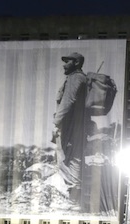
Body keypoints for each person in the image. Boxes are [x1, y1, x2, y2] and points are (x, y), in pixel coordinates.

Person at [53, 52, 88, 196]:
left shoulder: (75, 78)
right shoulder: (77, 78)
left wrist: (56, 123)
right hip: (75, 124)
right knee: (71, 157)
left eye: (67, 61)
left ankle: (73, 197)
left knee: (70, 157)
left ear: (76, 63)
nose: (64, 64)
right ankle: (73, 194)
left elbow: (68, 102)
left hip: (71, 125)